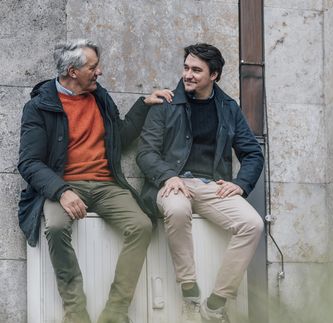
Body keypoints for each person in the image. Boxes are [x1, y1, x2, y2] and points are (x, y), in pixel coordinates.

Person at [17, 39, 171, 323]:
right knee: (56, 225)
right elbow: (29, 162)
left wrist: (144, 105)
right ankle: (75, 312)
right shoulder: (39, 107)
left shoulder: (100, 97)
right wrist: (61, 191)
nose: (99, 72)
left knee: (141, 226)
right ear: (73, 71)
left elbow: (120, 137)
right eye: (93, 67)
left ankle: (115, 312)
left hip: (105, 184)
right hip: (63, 185)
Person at [136, 43, 264, 322]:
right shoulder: (166, 103)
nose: (188, 75)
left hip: (212, 187)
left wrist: (240, 184)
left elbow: (252, 153)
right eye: (186, 68)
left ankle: (217, 303)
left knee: (253, 224)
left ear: (214, 75)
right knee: (178, 209)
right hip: (171, 183)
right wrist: (168, 176)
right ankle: (190, 291)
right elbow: (145, 153)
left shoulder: (229, 108)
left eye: (196, 70)